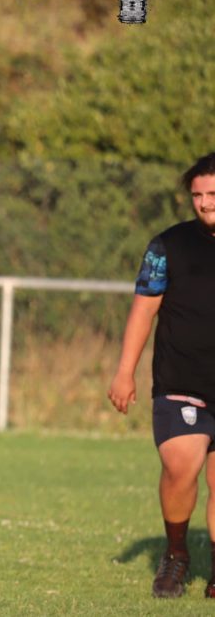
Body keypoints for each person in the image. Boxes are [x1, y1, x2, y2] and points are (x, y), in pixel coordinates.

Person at [108, 152, 215, 599]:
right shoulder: (167, 245)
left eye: (213, 194)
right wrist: (124, 371)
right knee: (180, 467)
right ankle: (176, 555)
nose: (206, 203)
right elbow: (144, 309)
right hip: (181, 380)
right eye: (198, 195)